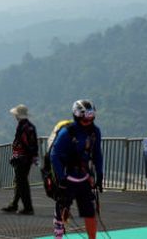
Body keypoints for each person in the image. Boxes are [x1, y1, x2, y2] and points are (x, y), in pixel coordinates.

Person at [50, 100, 103, 239]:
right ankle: (58, 235)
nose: (88, 120)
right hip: (68, 178)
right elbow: (54, 155)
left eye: (91, 116)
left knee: (90, 214)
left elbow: (97, 154)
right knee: (62, 212)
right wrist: (61, 178)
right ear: (77, 115)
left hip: (84, 178)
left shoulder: (95, 132)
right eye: (85, 117)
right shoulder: (67, 132)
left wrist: (100, 174)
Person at [2, 105, 38, 215]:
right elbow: (33, 144)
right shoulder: (30, 126)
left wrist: (19, 156)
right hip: (26, 158)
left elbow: (23, 143)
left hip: (23, 158)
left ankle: (28, 207)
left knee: (22, 183)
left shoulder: (23, 127)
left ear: (18, 115)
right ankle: (14, 204)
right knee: (19, 181)